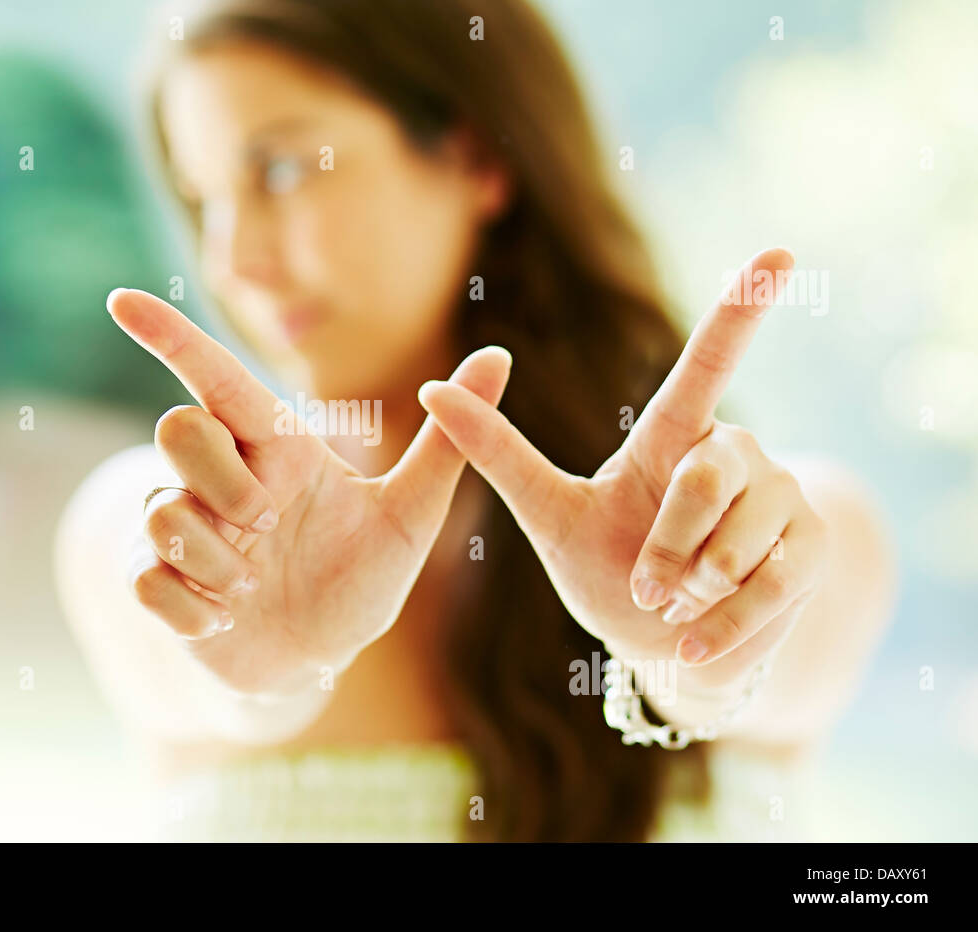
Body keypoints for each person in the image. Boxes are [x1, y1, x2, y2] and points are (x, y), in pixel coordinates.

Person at [54, 0, 895, 841]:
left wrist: (697, 660)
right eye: (203, 204)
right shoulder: (157, 525)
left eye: (279, 172)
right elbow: (196, 674)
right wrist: (260, 671)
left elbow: (785, 646)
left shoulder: (793, 533)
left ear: (479, 156)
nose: (233, 260)